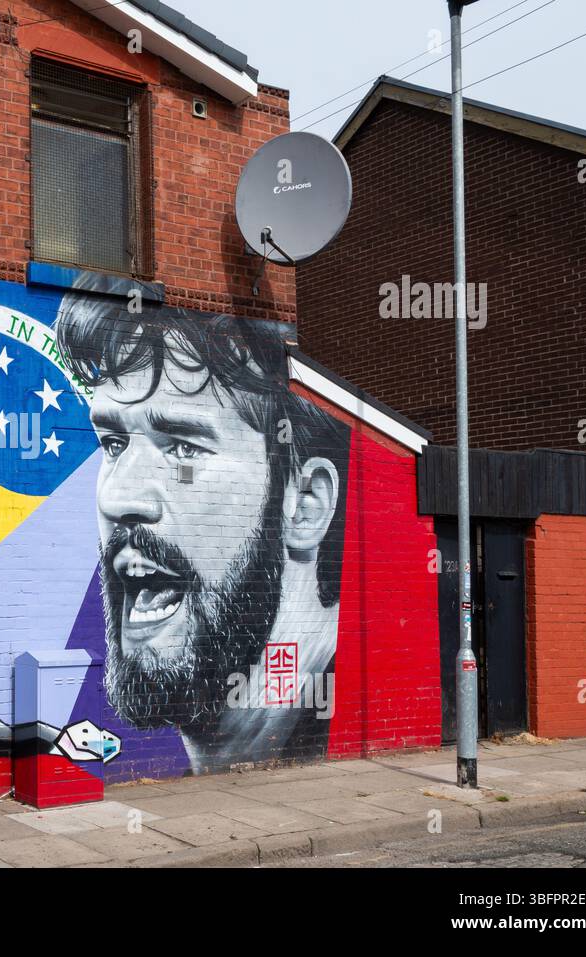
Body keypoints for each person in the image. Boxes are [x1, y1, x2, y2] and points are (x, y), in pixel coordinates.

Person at [55, 288, 350, 771]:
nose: (117, 499)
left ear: (305, 505)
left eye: (183, 448)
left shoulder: (360, 700)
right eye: (113, 443)